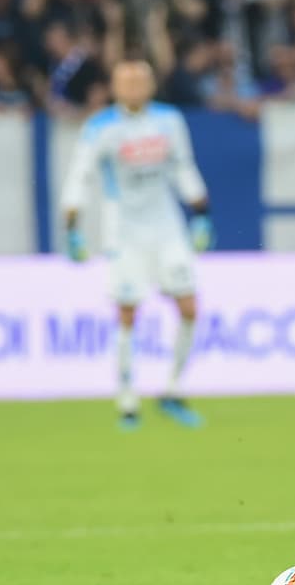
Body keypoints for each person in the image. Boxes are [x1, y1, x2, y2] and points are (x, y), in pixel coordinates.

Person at [59, 59, 214, 429]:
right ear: (114, 87)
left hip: (167, 227)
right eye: (125, 82)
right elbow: (80, 176)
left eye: (140, 81)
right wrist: (73, 225)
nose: (133, 88)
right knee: (128, 312)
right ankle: (127, 400)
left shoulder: (169, 120)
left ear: (150, 85)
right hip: (123, 233)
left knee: (189, 307)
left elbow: (182, 166)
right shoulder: (100, 128)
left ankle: (173, 391)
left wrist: (201, 210)